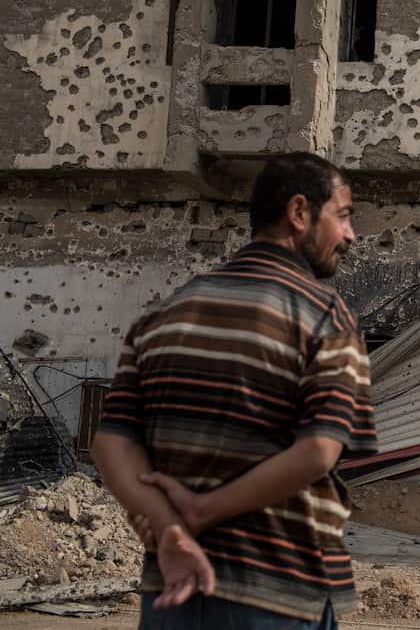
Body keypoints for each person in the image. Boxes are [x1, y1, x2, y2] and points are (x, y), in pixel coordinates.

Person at [92, 151, 376, 629]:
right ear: (300, 212)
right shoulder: (323, 315)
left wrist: (168, 526)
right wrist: (202, 511)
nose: (350, 235)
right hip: (278, 595)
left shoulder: (163, 316)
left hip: (172, 591)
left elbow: (111, 440)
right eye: (343, 216)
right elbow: (317, 452)